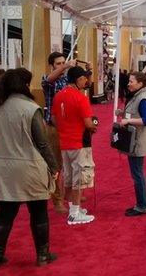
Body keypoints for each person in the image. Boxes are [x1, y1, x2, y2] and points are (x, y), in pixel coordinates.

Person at [0, 68, 59, 270]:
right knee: (38, 213)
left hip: (2, 169)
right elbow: (42, 143)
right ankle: (43, 255)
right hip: (29, 167)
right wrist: (54, 166)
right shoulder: (30, 108)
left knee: (4, 214)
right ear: (24, 85)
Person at [52, 66, 97, 225]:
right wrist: (94, 126)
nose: (86, 81)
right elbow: (88, 124)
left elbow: (54, 119)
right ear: (78, 79)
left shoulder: (58, 96)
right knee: (79, 179)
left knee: (69, 178)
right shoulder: (80, 97)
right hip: (79, 143)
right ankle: (74, 213)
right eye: (84, 78)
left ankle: (73, 208)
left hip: (64, 143)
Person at [41, 52, 76, 214]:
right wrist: (67, 66)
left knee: (70, 162)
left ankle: (69, 193)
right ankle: (57, 199)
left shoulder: (66, 80)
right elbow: (49, 80)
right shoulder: (47, 80)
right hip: (53, 128)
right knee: (55, 165)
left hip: (69, 126)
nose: (62, 66)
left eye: (63, 63)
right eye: (58, 64)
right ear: (51, 66)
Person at [116, 72, 146, 217]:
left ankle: (142, 206)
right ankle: (142, 204)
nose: (129, 83)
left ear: (140, 84)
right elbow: (134, 114)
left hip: (138, 142)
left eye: (131, 81)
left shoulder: (142, 98)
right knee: (137, 174)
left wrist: (128, 121)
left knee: (138, 175)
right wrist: (122, 114)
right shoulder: (137, 96)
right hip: (134, 141)